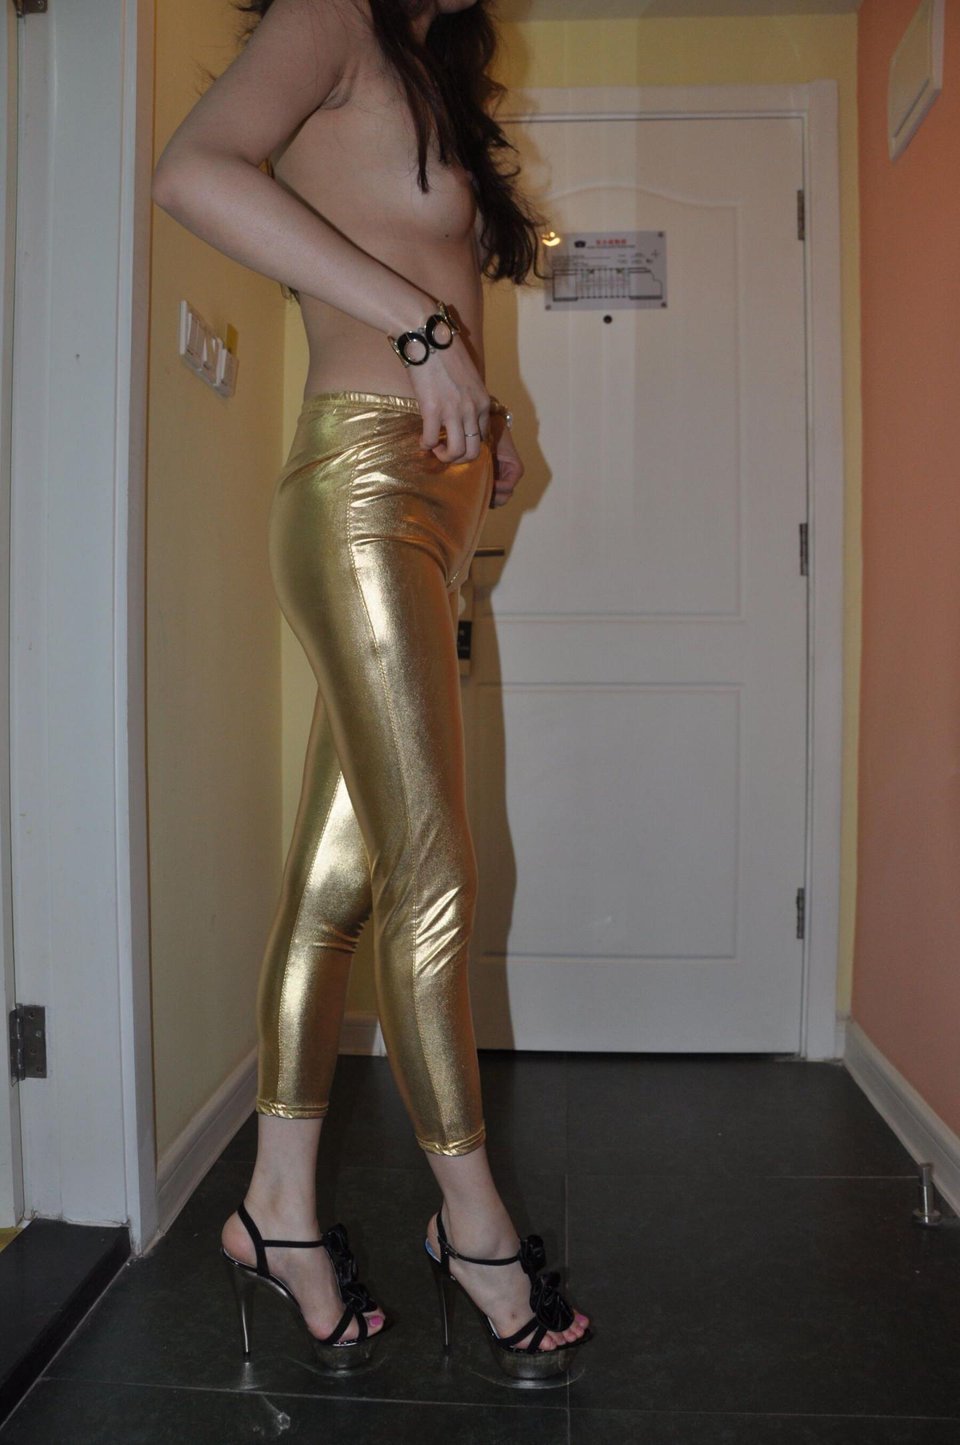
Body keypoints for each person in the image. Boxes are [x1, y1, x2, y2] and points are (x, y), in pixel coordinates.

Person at [151, 0, 592, 1380]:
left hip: (431, 501)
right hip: (360, 488)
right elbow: (193, 171)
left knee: (338, 881)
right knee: (434, 871)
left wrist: (484, 413)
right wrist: (419, 332)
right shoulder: (331, 15)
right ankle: (474, 1227)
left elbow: (425, 273)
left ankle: (276, 1212)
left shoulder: (427, 71)